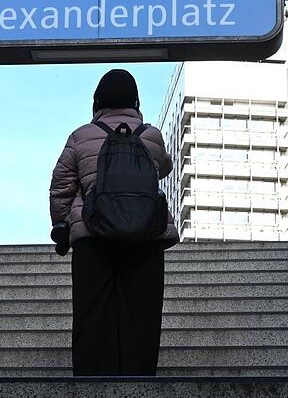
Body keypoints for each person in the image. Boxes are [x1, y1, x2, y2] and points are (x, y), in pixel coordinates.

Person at [49, 69, 179, 376]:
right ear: (135, 100)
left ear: (97, 102)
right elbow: (164, 167)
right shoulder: (151, 135)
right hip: (145, 234)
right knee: (141, 312)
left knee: (92, 311)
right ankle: (138, 377)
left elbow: (62, 186)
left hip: (93, 234)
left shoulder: (80, 136)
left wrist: (62, 226)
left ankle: (91, 380)